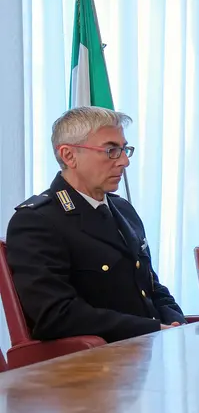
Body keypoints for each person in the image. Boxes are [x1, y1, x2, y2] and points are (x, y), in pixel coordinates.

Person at [6, 106, 186, 343]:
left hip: (145, 351)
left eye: (124, 150)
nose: (123, 161)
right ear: (69, 156)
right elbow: (55, 315)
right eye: (111, 150)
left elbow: (151, 287)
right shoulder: (37, 221)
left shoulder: (122, 209)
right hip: (92, 365)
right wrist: (152, 329)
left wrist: (178, 325)